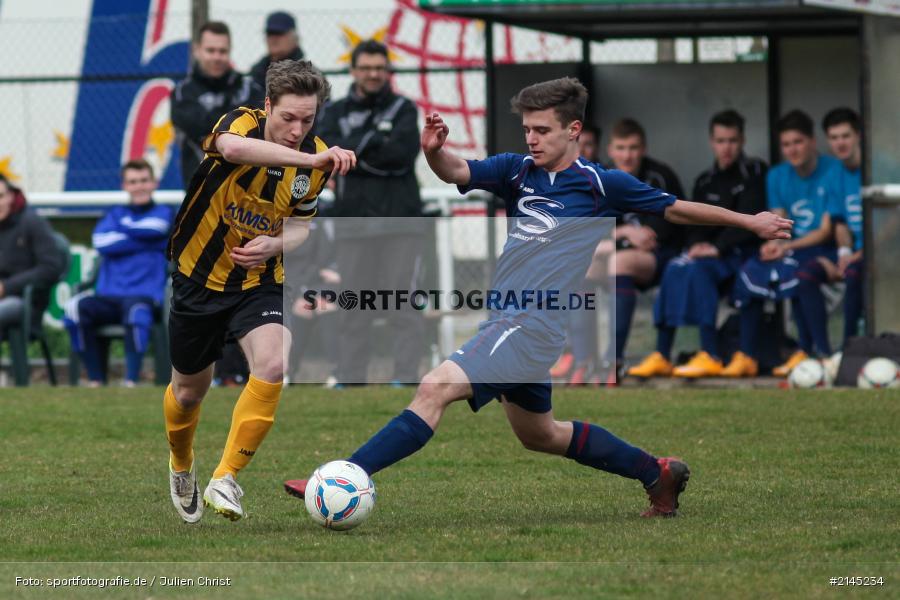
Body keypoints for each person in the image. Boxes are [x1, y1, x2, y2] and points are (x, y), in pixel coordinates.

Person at [284, 77, 792, 518]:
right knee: (540, 435)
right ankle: (656, 472)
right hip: (508, 320)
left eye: (542, 129)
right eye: (527, 128)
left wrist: (749, 221)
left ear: (573, 130)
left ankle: (343, 477)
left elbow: (676, 208)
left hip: (533, 324)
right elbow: (459, 173)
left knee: (435, 386)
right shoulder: (516, 171)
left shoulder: (599, 183)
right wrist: (434, 150)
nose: (532, 138)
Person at [163, 60, 356, 524]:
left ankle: (225, 477)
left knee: (273, 362)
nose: (296, 129)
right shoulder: (241, 123)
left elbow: (301, 228)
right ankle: (182, 464)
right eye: (288, 117)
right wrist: (312, 159)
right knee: (189, 392)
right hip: (198, 277)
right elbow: (231, 149)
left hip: (258, 282)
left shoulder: (316, 160)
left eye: (307, 121)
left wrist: (276, 242)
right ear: (268, 105)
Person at [628, 110, 768, 378]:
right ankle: (662, 354)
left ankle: (711, 354)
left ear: (743, 141)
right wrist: (695, 245)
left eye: (732, 141)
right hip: (709, 254)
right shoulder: (705, 180)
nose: (726, 148)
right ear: (711, 142)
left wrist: (716, 248)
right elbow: (692, 221)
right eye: (720, 141)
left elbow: (752, 218)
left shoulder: (755, 171)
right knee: (675, 268)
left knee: (699, 270)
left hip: (740, 253)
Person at [317, 39, 424, 385]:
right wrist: (375, 140)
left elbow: (402, 157)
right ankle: (351, 379)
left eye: (380, 68)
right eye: (366, 68)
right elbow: (333, 157)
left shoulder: (405, 109)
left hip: (400, 222)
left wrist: (356, 153)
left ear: (387, 70)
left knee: (401, 303)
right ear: (353, 71)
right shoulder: (333, 112)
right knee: (353, 305)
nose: (374, 74)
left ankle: (406, 378)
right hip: (354, 222)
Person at [729, 110, 842, 376]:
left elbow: (826, 230)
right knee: (751, 272)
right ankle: (746, 355)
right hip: (789, 245)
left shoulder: (833, 169)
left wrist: (787, 247)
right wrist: (772, 243)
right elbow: (778, 218)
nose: (792, 149)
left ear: (812, 141)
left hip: (819, 248)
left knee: (799, 274)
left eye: (798, 142)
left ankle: (813, 352)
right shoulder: (777, 175)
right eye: (786, 144)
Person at [590, 118, 686, 384]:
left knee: (618, 263)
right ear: (610, 150)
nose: (627, 155)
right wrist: (623, 234)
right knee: (580, 265)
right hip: (619, 253)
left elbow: (653, 238)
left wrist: (615, 241)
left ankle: (614, 359)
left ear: (643, 149)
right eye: (621, 148)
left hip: (662, 257)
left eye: (633, 148)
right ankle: (583, 359)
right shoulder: (600, 177)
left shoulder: (659, 176)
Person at [64, 159, 173, 387]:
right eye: (133, 182)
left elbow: (156, 228)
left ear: (154, 183)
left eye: (144, 180)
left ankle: (130, 380)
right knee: (74, 309)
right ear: (124, 185)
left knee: (136, 312)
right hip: (108, 296)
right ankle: (96, 379)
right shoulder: (115, 212)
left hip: (145, 296)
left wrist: (122, 231)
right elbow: (101, 241)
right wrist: (147, 242)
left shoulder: (164, 212)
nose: (139, 186)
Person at [171, 21, 264, 189]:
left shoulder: (248, 88)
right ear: (197, 51)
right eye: (210, 50)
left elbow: (263, 128)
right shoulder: (182, 93)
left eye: (222, 51)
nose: (216, 57)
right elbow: (204, 130)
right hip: (201, 188)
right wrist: (238, 119)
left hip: (246, 188)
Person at [0, 175, 65, 345]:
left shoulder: (32, 222)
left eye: (0, 196)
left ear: (11, 196)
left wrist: (6, 287)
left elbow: (50, 268)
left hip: (26, 302)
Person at [819, 108, 863, 345]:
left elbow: (892, 221)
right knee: (805, 275)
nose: (840, 143)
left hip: (889, 251)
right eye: (834, 138)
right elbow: (840, 222)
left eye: (845, 136)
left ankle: (849, 348)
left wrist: (861, 254)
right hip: (857, 252)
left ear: (858, 135)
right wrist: (845, 253)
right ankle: (818, 352)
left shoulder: (881, 165)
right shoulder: (833, 175)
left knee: (855, 274)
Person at [250, 11, 307, 94]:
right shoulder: (256, 75)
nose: (273, 38)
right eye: (270, 33)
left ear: (294, 37)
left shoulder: (309, 77)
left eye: (279, 33)